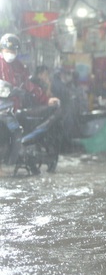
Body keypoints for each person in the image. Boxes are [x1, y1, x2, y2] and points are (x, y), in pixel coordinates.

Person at [0, 33, 59, 175]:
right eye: (7, 51)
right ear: (1, 50)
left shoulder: (19, 67)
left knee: (15, 130)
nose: (10, 54)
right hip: (2, 106)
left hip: (13, 108)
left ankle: (8, 160)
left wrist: (45, 99)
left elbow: (29, 85)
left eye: (13, 51)